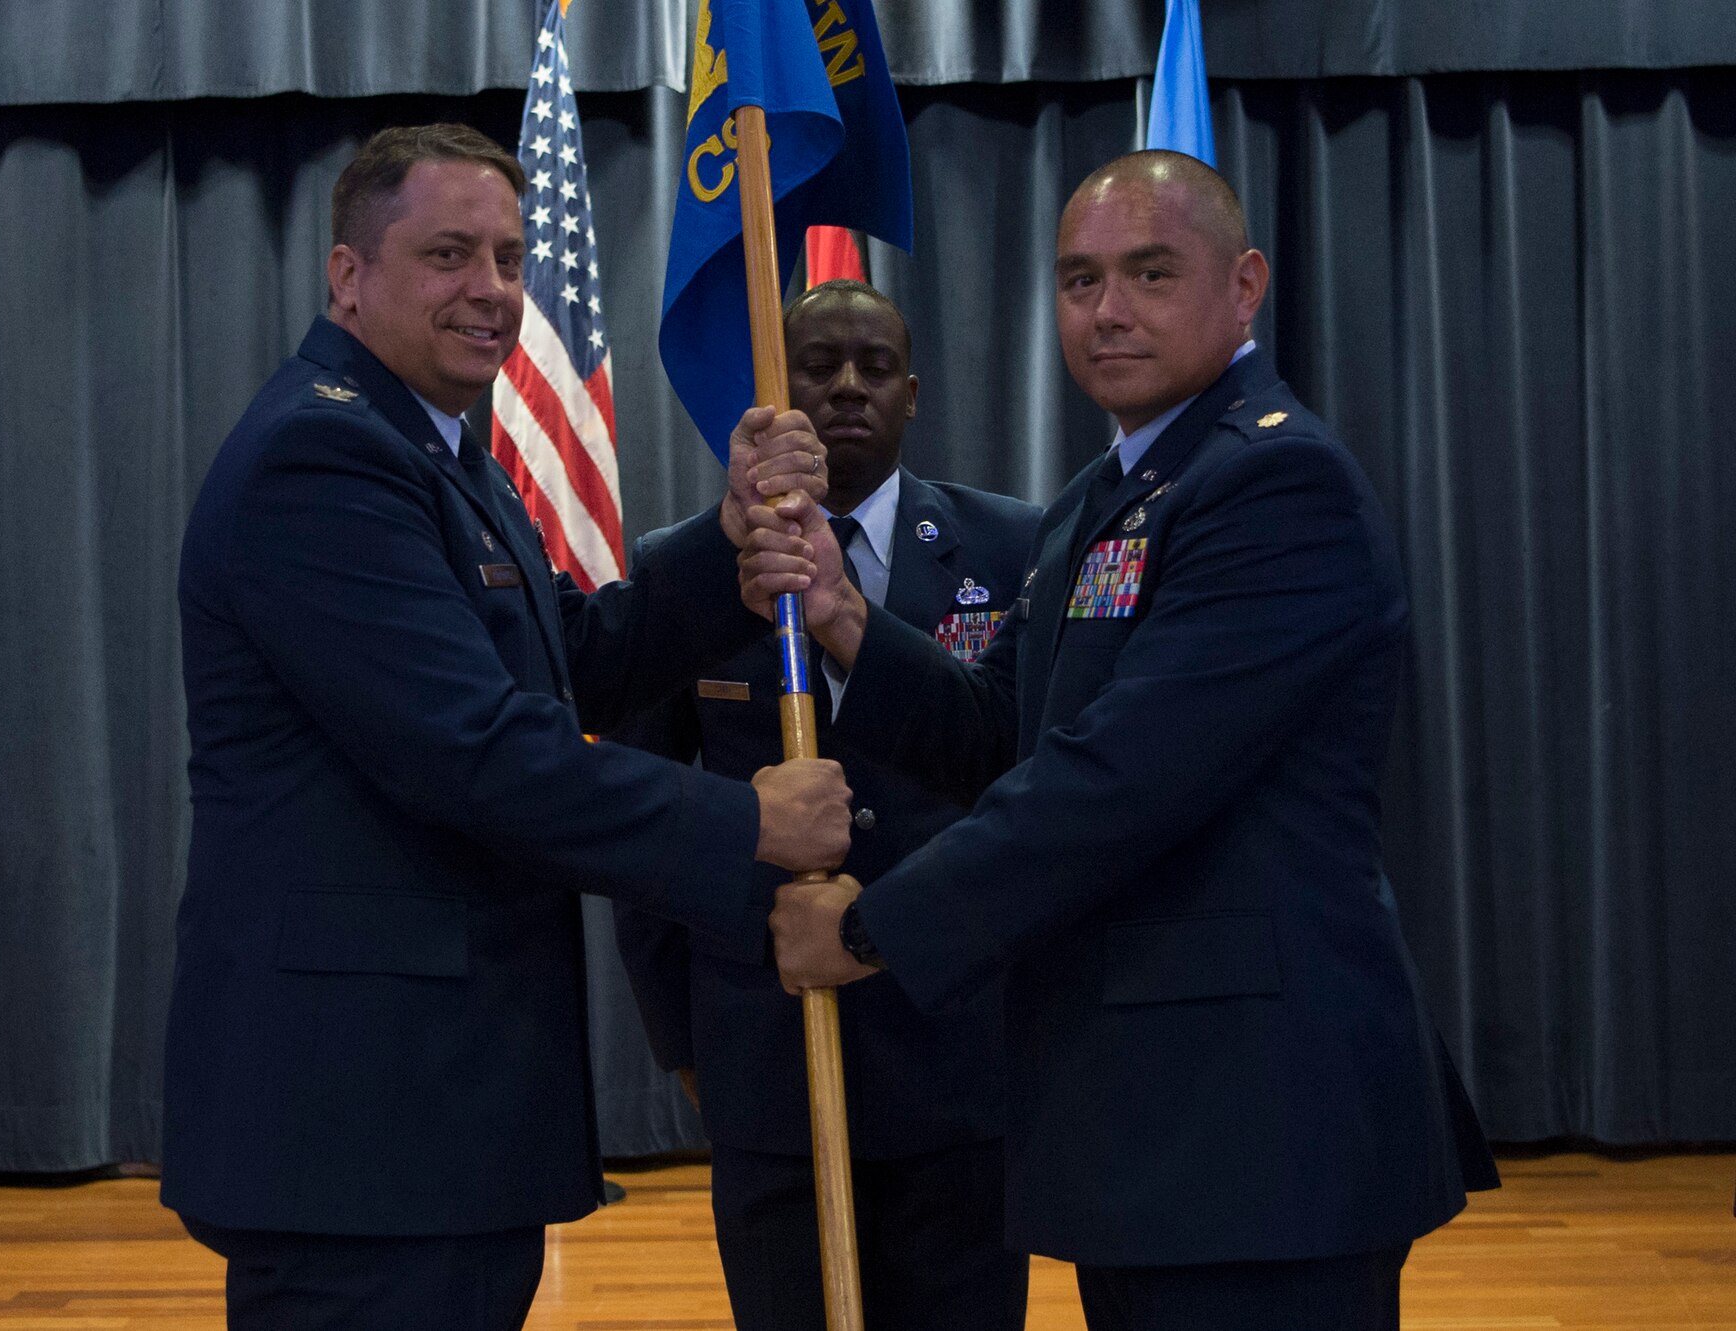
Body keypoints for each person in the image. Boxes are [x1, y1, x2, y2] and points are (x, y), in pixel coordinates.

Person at [749, 150, 1499, 1331]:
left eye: (1149, 273)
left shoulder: (1269, 482)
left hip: (1257, 1119)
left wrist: (864, 928)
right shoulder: (1109, 494)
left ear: (1243, 285)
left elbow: (1115, 781)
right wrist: (846, 619)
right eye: (1079, 279)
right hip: (1147, 1113)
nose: (1107, 310)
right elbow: (1003, 726)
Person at [160, 123, 854, 1330]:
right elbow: (475, 751)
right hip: (362, 1119)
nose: (490, 289)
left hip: (431, 1109)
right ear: (347, 275)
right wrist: (743, 822)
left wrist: (729, 540)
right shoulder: (321, 457)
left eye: (509, 255)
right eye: (447, 255)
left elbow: (563, 661)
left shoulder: (436, 450)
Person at [612, 280, 1039, 1330]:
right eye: (816, 366)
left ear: (912, 394)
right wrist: (682, 1044)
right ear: (776, 390)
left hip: (959, 1051)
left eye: (873, 367)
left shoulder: (1014, 547)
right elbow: (647, 830)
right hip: (765, 1052)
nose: (846, 386)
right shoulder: (696, 572)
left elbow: (1032, 787)